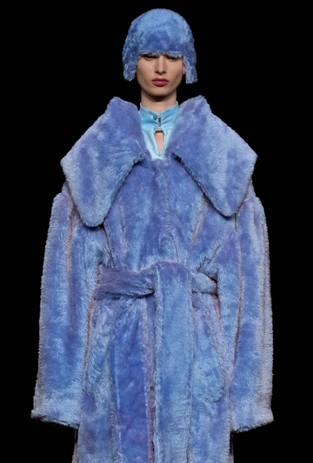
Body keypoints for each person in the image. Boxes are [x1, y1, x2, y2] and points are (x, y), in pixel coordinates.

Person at [30, 8, 273, 462]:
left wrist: (246, 395)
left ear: (188, 65)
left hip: (198, 356)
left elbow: (249, 285)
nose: (160, 67)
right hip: (116, 356)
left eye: (172, 56)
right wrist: (62, 392)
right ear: (131, 62)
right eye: (148, 55)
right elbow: (66, 283)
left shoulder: (224, 158)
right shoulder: (94, 156)